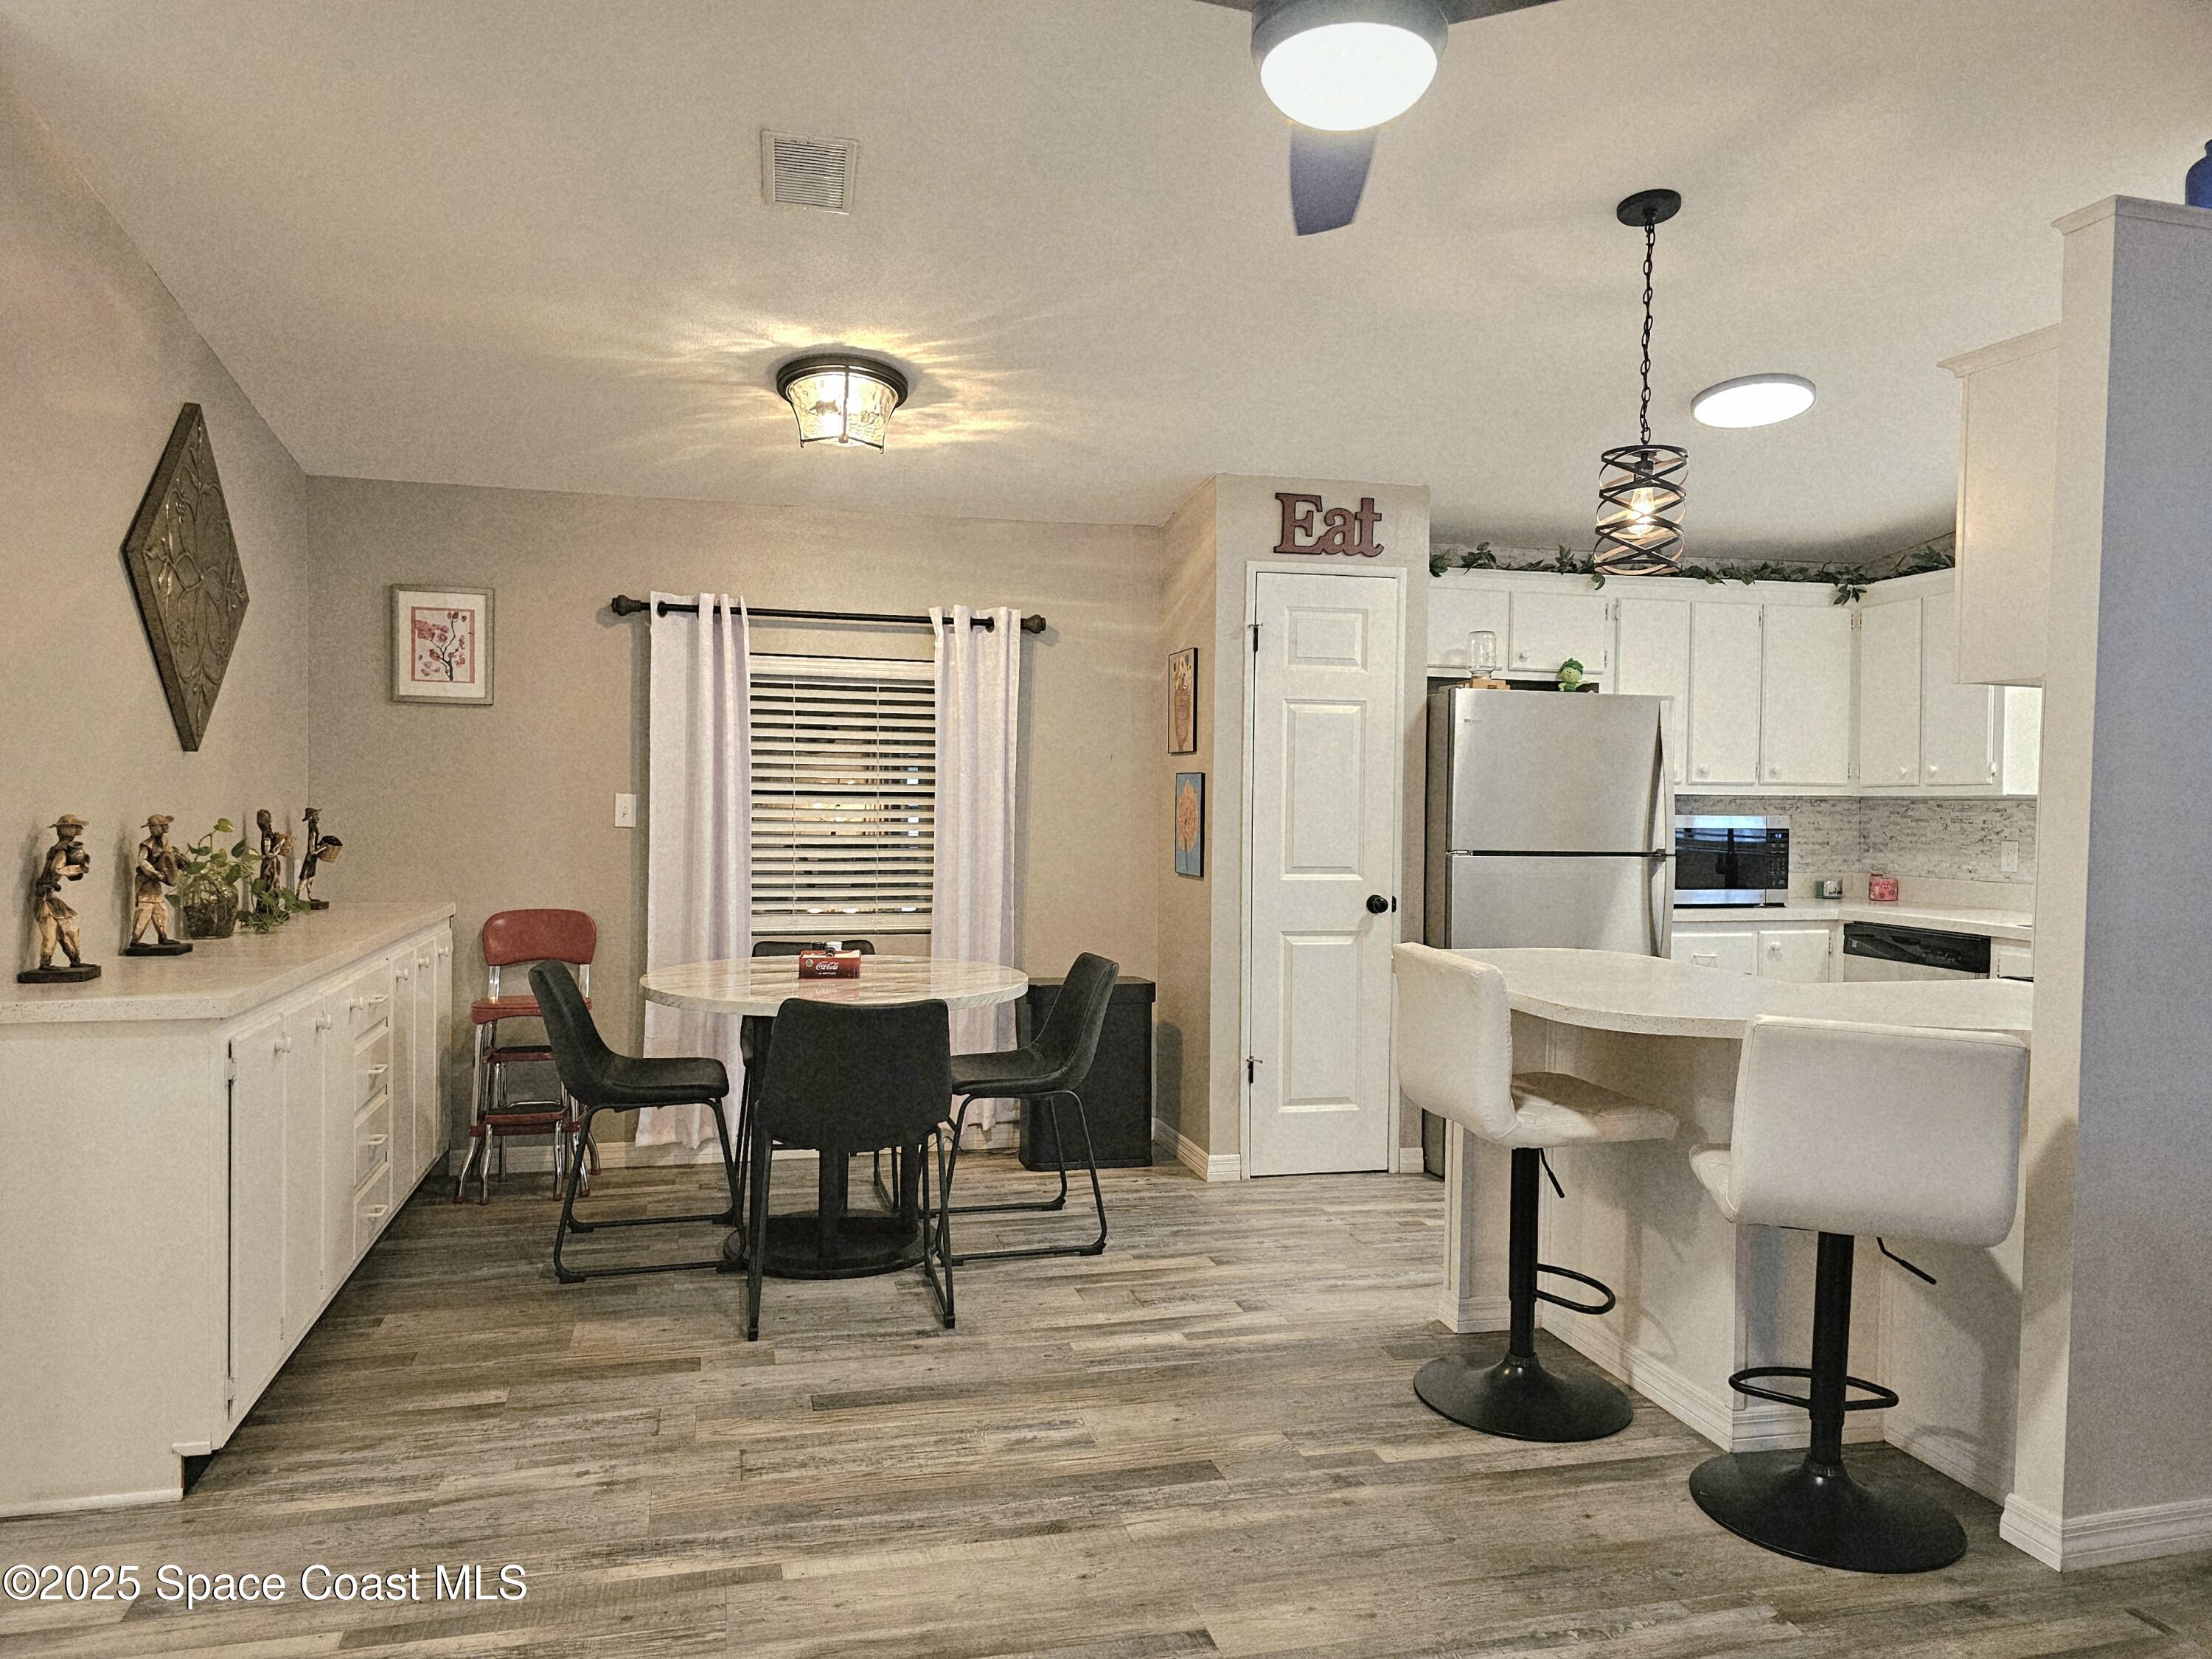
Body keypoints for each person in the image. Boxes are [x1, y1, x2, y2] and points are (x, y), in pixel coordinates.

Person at [30, 815, 92, 970]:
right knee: (50, 931)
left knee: (70, 929)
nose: (79, 829)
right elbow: (57, 869)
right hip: (45, 897)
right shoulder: (62, 849)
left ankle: (75, 960)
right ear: (64, 829)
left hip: (50, 896)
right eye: (74, 826)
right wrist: (79, 868)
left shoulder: (63, 848)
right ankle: (45, 963)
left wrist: (80, 867)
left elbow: (71, 876)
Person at [130, 814, 181, 947]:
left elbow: (168, 856)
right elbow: (142, 861)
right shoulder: (147, 845)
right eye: (164, 825)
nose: (167, 827)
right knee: (145, 910)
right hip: (145, 881)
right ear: (155, 828)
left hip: (155, 883)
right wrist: (155, 873)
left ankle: (163, 937)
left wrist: (176, 864)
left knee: (161, 910)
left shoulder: (164, 841)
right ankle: (135, 940)